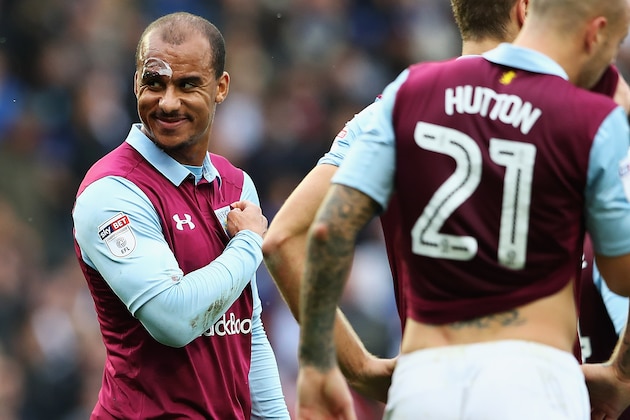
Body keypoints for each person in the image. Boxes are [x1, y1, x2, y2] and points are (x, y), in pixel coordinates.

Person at [263, 0, 630, 406]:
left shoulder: (403, 97)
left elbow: (285, 238)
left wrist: (350, 367)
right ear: (527, 9)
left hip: (424, 384)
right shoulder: (589, 117)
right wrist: (621, 374)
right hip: (535, 382)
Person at [72, 12, 289, 419]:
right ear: (137, 81)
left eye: (188, 84)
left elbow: (246, 325)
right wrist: (247, 244)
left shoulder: (236, 183)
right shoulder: (112, 191)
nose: (168, 102)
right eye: (155, 83)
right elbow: (172, 319)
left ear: (221, 88)